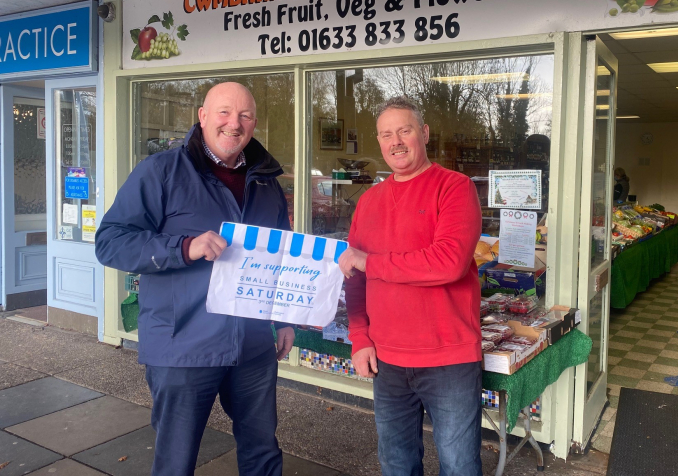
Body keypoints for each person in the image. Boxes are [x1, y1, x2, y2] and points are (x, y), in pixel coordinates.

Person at [95, 82, 294, 476]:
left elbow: (279, 255)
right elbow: (111, 242)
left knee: (263, 453)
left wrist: (284, 316)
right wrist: (184, 248)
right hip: (183, 346)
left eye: (245, 115)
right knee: (176, 460)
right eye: (223, 112)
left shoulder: (267, 182)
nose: (233, 124)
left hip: (252, 346)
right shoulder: (161, 171)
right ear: (202, 116)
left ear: (254, 123)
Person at [338, 96, 484, 476]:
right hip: (386, 360)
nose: (396, 142)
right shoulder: (368, 202)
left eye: (404, 130)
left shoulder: (455, 187)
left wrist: (371, 262)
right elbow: (353, 280)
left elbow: (448, 262)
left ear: (424, 133)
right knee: (396, 464)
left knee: (459, 466)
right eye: (386, 134)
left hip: (448, 359)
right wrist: (359, 338)